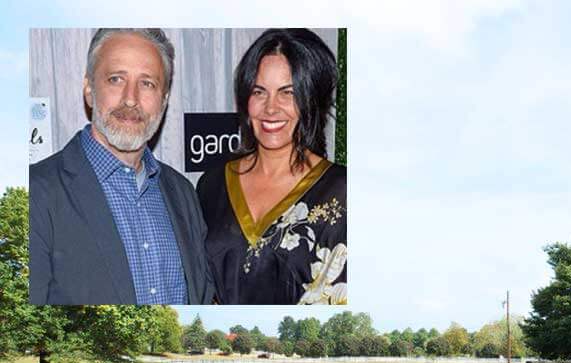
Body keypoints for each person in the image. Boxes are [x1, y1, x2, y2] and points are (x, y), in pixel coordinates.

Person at [29, 28, 214, 305]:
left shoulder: (183, 193)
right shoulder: (35, 194)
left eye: (147, 83)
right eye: (116, 79)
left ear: (163, 101)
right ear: (89, 90)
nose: (131, 98)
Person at [197, 29, 347, 305]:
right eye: (259, 91)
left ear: (312, 98)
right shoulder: (212, 184)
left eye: (287, 93)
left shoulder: (343, 192)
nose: (270, 108)